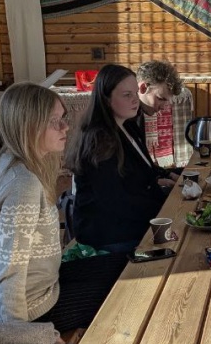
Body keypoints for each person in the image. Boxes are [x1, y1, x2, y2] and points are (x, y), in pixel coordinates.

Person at [0, 83, 125, 332]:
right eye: (54, 121)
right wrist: (22, 336)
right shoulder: (22, 185)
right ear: (29, 126)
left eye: (62, 118)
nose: (65, 127)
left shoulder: (10, 162)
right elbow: (10, 272)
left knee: (129, 265)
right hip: (33, 311)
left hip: (46, 285)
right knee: (126, 292)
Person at [68, 64, 174, 254]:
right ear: (106, 98)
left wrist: (170, 177)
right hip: (110, 234)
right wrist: (165, 208)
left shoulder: (128, 125)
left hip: (131, 220)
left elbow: (145, 170)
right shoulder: (99, 141)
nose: (135, 100)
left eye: (135, 93)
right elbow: (115, 202)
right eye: (126, 95)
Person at [134, 59, 194, 171]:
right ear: (143, 88)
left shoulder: (138, 114)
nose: (163, 107)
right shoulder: (128, 118)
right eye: (160, 99)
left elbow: (142, 163)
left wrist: (167, 174)